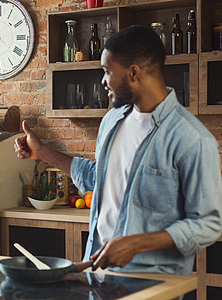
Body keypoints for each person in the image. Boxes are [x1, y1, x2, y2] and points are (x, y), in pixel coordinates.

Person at [15, 26, 221, 275]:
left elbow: (207, 224)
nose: (103, 80)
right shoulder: (112, 120)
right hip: (97, 275)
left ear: (133, 72)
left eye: (107, 71)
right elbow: (99, 177)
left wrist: (135, 244)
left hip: (151, 284)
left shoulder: (192, 138)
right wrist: (42, 152)